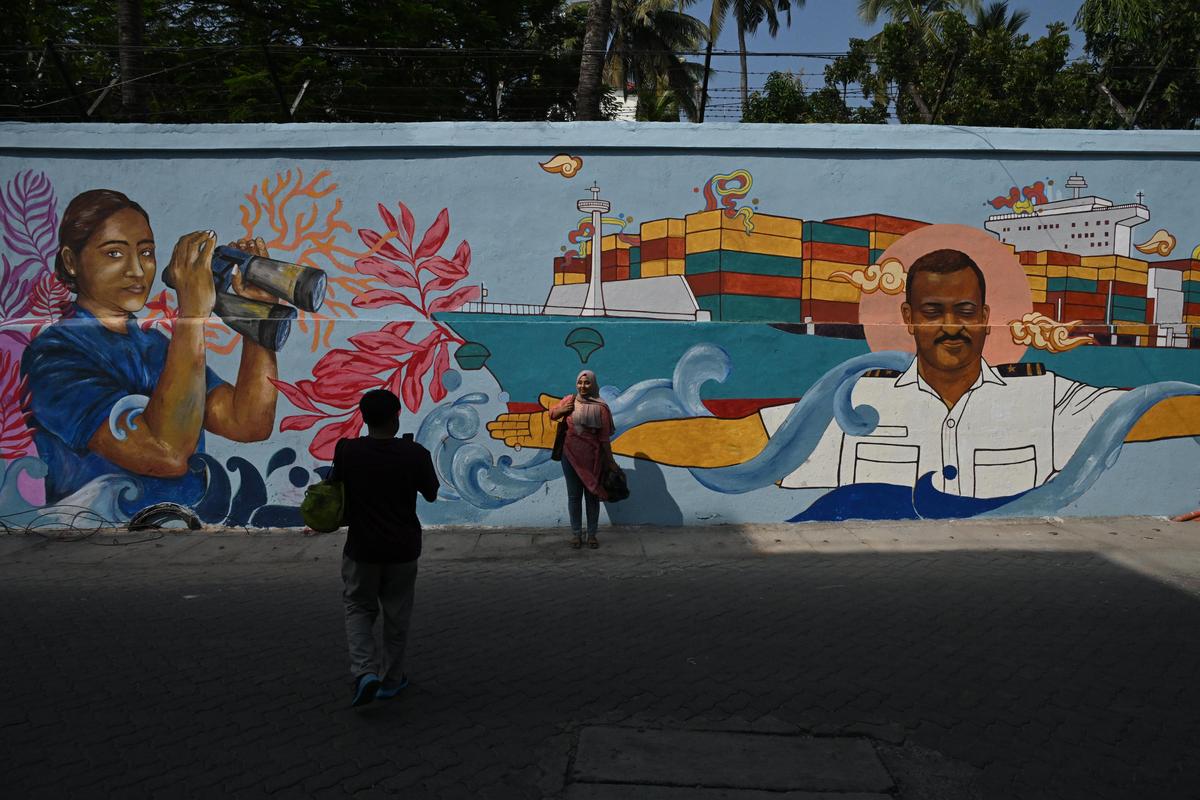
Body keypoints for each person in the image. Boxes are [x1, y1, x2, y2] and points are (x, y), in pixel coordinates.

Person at [489, 249, 1200, 499]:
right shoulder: (852, 401)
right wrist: (581, 433)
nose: (950, 324)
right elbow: (735, 444)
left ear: (987, 317)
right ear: (908, 318)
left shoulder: (1049, 398)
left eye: (964, 310)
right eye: (933, 310)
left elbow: (1157, 409)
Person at [20, 189, 279, 507]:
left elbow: (248, 421)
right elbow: (165, 454)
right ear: (71, 261)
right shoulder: (53, 357)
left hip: (185, 534)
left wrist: (258, 321)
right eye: (114, 253)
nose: (137, 270)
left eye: (146, 253)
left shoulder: (155, 347)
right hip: (102, 540)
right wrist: (193, 315)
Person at [330, 388, 439, 708]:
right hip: (403, 548)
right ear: (396, 417)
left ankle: (365, 672)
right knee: (397, 615)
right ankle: (392, 679)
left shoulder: (348, 451)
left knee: (358, 609)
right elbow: (431, 493)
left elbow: (336, 485)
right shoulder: (414, 454)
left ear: (364, 419)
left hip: (361, 547)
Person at [548, 369, 616, 548]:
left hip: (593, 459)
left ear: (593, 384)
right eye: (580, 382)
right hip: (569, 456)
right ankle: (576, 534)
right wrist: (563, 409)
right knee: (574, 496)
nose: (583, 386)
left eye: (587, 383)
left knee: (592, 496)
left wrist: (610, 461)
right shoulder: (569, 400)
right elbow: (552, 414)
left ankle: (592, 534)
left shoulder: (601, 408)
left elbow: (603, 439)